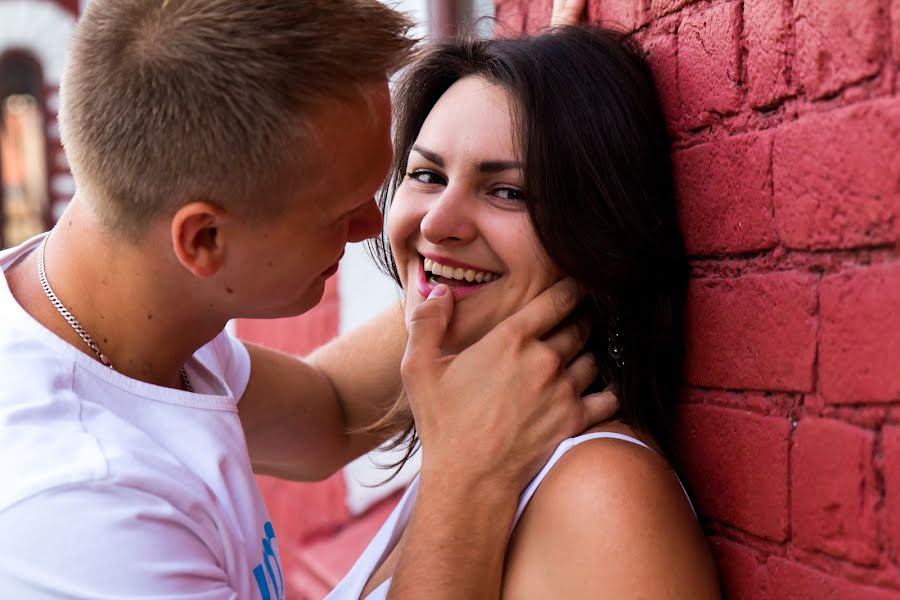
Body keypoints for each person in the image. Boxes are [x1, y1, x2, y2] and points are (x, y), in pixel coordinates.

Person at [0, 1, 616, 599]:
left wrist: (527, 136)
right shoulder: (79, 512)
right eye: (341, 210)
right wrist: (471, 477)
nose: (373, 227)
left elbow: (330, 413)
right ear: (205, 238)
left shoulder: (120, 311)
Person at [328, 25, 721, 599]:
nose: (436, 223)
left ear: (596, 234)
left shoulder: (603, 497)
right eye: (427, 176)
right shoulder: (472, 435)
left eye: (508, 192)